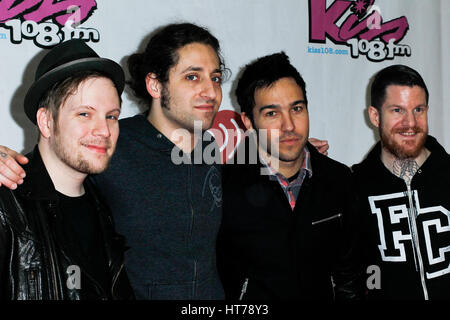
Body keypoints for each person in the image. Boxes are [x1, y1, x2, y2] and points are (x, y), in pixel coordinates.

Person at [0, 23, 329, 300]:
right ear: (155, 84)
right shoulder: (110, 145)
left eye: (215, 78)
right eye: (192, 77)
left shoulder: (215, 148)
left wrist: (294, 150)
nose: (210, 91)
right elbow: (54, 169)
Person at [217, 52, 363, 300]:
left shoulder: (339, 180)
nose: (289, 126)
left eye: (297, 108)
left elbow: (352, 275)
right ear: (248, 122)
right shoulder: (223, 188)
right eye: (272, 114)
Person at [0, 39, 134, 300]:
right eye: (85, 114)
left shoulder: (104, 205)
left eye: (112, 116)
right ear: (46, 122)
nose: (105, 130)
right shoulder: (7, 208)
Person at [352, 64, 450, 300]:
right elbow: (355, 275)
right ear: (375, 116)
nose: (411, 123)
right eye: (398, 110)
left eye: (419, 109)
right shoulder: (355, 187)